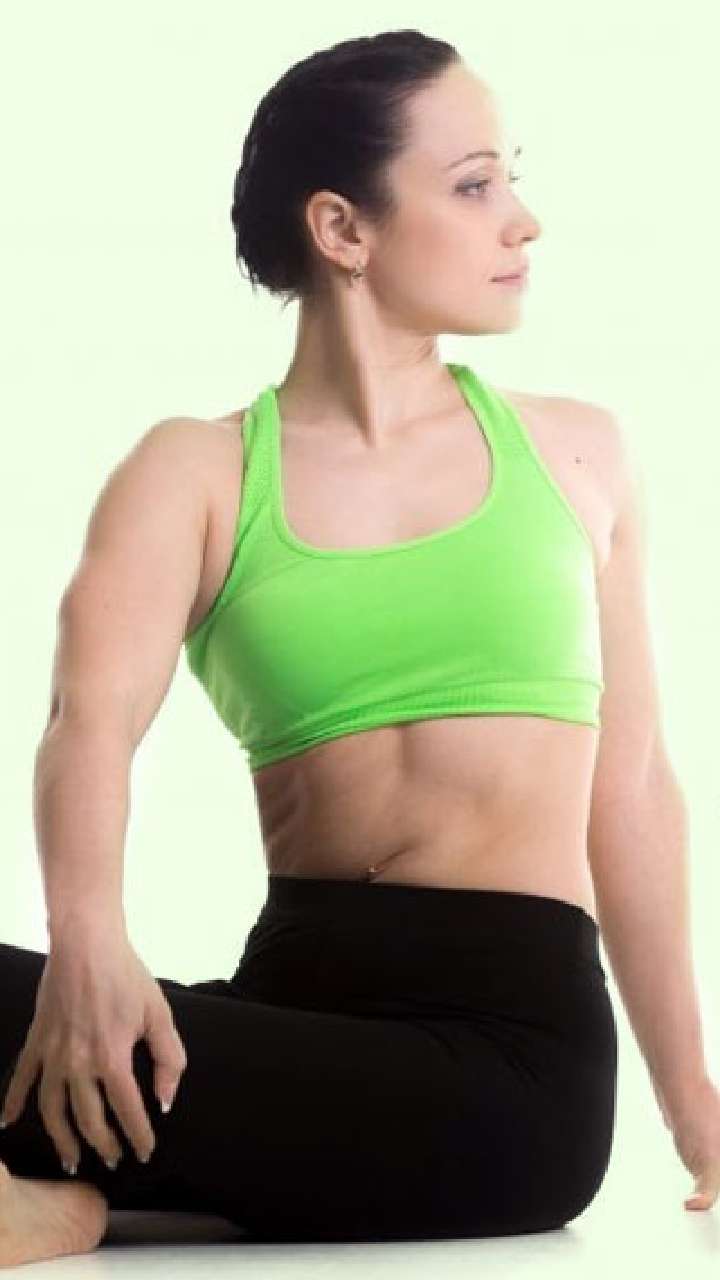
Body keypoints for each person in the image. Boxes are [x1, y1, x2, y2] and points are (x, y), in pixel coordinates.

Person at [1, 27, 717, 1267]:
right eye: (475, 185)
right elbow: (90, 724)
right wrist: (90, 943)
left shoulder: (579, 452)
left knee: (410, 1113)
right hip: (283, 1016)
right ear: (343, 229)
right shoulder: (195, 471)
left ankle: (85, 1194)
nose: (524, 221)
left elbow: (633, 786)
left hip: (506, 1066)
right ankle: (105, 1199)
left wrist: (694, 1107)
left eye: (510, 180)